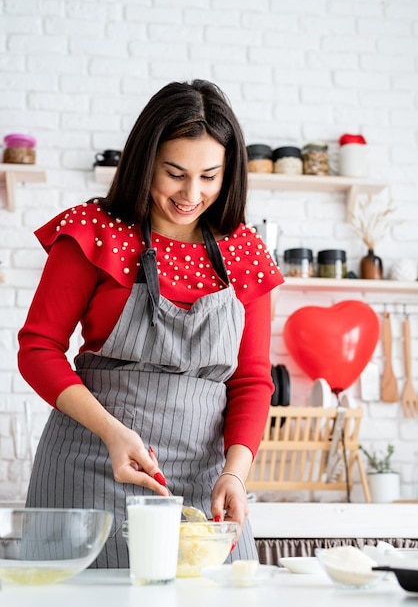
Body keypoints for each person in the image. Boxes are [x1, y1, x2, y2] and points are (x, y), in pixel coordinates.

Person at [18, 79, 284, 568]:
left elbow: (251, 379)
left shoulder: (245, 251)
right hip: (93, 463)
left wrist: (235, 474)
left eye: (210, 176)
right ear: (146, 162)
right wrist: (114, 433)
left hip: (208, 481)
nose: (191, 193)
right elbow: (38, 349)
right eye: (175, 173)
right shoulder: (94, 230)